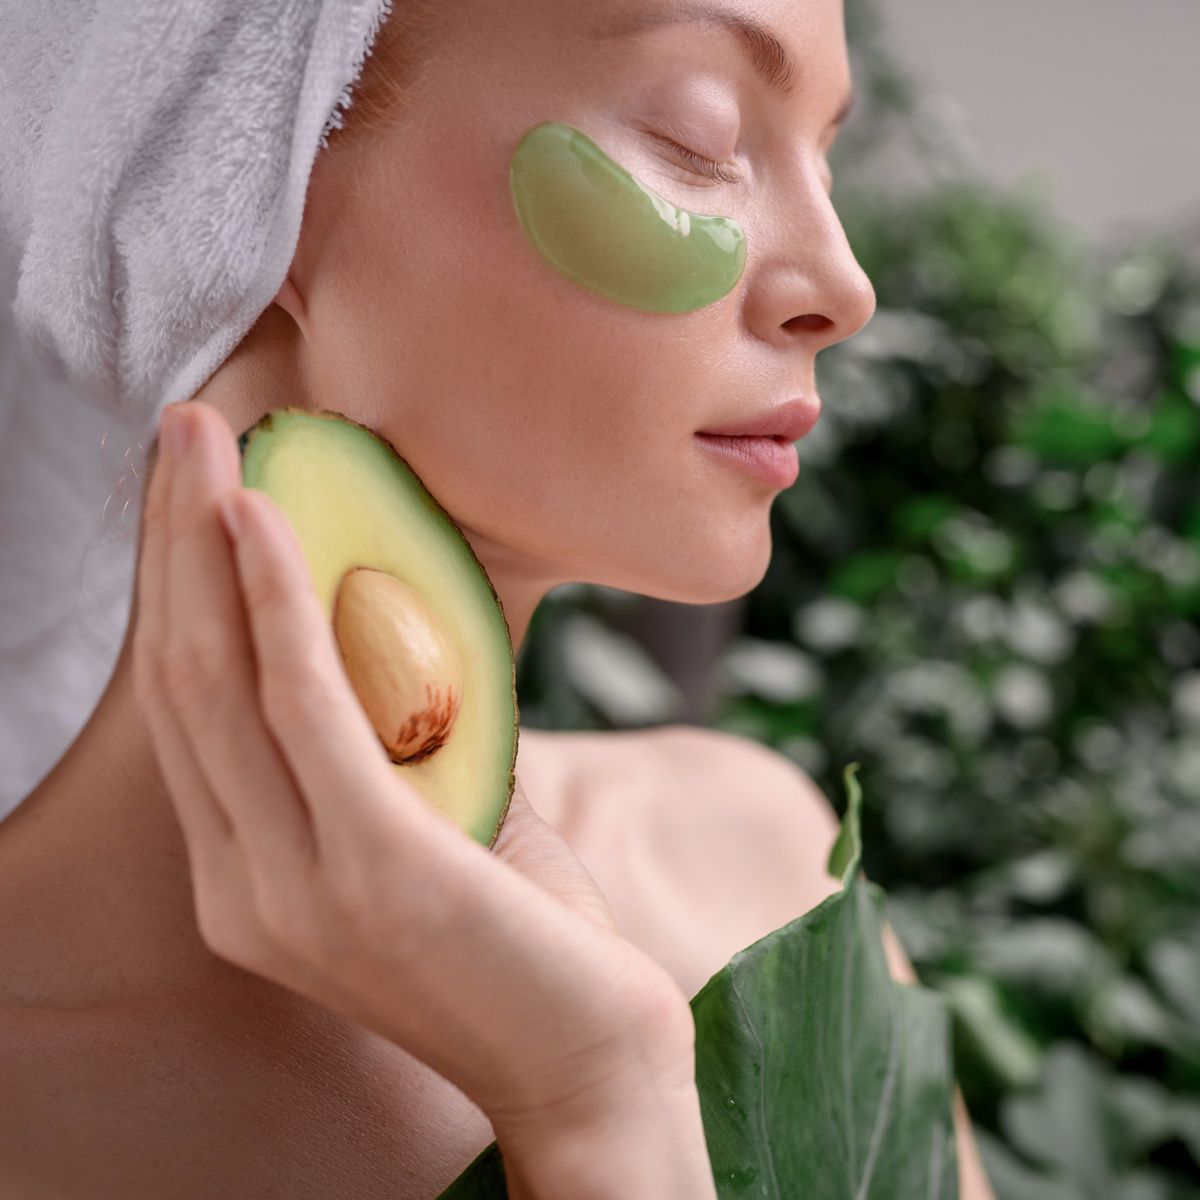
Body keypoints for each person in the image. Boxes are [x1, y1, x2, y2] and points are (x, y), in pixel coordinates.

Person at [0, 0, 996, 1195]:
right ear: (255, 179)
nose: (843, 286)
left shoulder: (760, 859)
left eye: (824, 157)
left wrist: (605, 1097)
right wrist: (584, 1098)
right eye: (699, 135)